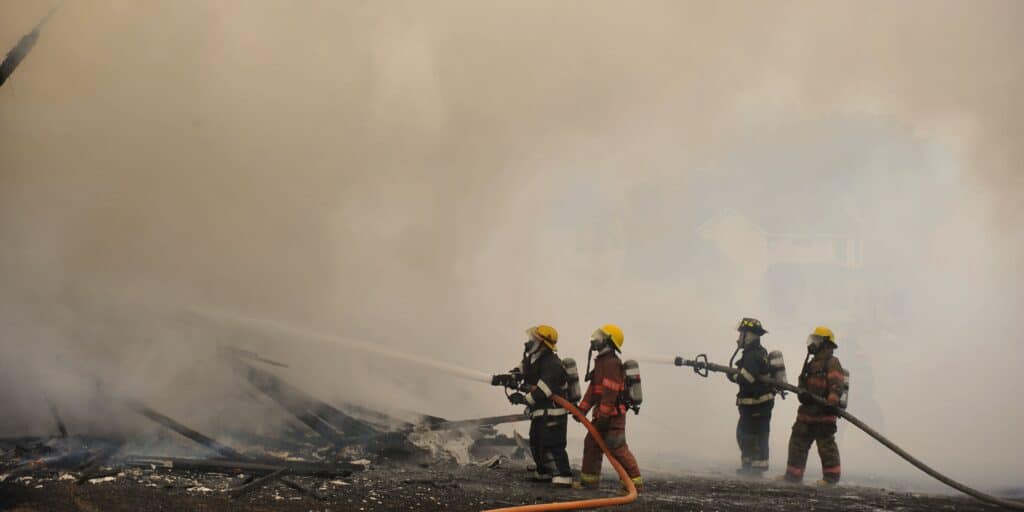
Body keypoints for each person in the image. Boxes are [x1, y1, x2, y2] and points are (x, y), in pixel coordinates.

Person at [503, 325, 573, 486]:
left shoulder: (552, 363)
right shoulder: (533, 358)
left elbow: (544, 390)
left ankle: (564, 474)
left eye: (533, 339)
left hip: (553, 412)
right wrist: (512, 376)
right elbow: (522, 369)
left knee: (553, 443)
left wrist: (522, 399)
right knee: (536, 440)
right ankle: (544, 472)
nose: (529, 342)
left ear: (543, 343)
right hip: (540, 411)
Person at [577, 324, 642, 491]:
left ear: (608, 341)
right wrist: (581, 411)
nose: (594, 340)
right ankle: (589, 482)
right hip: (602, 416)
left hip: (613, 417)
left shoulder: (612, 363)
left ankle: (634, 483)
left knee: (617, 448)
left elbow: (610, 392)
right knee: (592, 443)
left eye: (599, 337)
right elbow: (593, 391)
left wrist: (604, 417)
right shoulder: (601, 362)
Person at [782, 326, 845, 485]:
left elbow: (837, 384)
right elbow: (802, 382)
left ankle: (831, 479)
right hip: (806, 413)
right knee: (797, 443)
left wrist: (832, 399)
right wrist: (801, 392)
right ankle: (792, 476)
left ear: (825, 343)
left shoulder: (832, 362)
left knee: (826, 446)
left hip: (824, 414)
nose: (813, 344)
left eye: (816, 340)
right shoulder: (810, 363)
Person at [727, 317, 775, 476]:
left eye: (741, 334)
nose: (738, 338)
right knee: (746, 435)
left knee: (753, 436)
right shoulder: (757, 352)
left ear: (748, 335)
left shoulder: (752, 354)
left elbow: (747, 378)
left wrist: (732, 376)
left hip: (757, 406)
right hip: (754, 406)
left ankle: (756, 470)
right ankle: (749, 467)